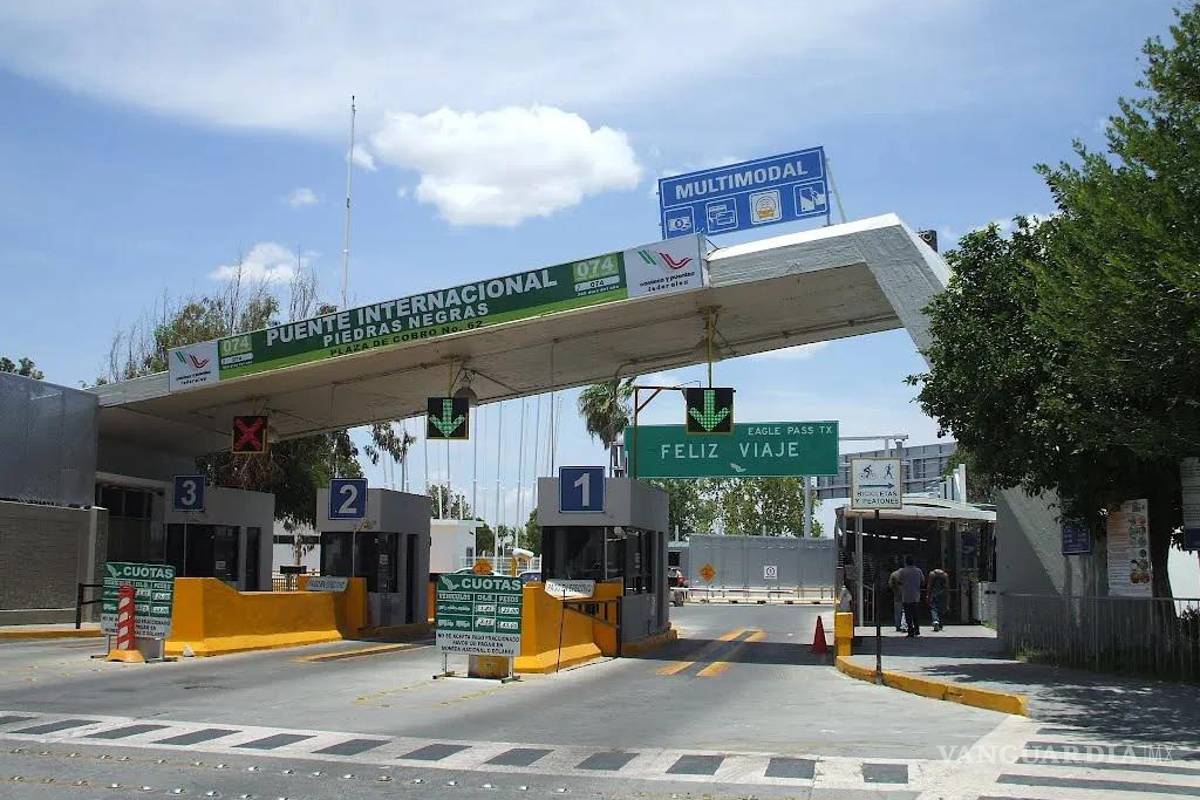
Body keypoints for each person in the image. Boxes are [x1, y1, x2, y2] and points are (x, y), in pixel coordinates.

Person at [898, 556, 925, 637]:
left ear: (906, 562)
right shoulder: (918, 571)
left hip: (906, 596)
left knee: (908, 614)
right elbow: (923, 581)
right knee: (915, 614)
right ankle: (917, 630)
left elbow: (899, 581)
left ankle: (910, 631)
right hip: (916, 595)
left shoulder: (903, 571)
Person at [927, 567, 949, 632]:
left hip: (933, 593)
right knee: (941, 609)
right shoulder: (945, 575)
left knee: (933, 608)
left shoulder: (932, 574)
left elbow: (929, 585)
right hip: (942, 594)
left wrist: (928, 595)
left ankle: (935, 621)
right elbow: (947, 587)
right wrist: (947, 597)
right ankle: (940, 624)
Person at [888, 563, 905, 632]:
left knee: (898, 611)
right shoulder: (907, 574)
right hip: (908, 595)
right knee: (905, 611)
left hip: (897, 594)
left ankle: (898, 625)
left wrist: (895, 589)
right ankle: (904, 625)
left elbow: (890, 585)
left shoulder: (894, 574)